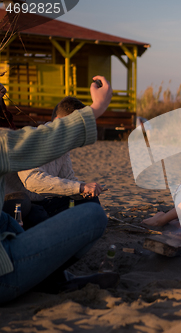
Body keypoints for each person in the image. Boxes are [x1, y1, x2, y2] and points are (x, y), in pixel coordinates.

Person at [0, 77, 116, 304]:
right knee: (90, 216)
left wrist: (83, 190)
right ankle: (49, 277)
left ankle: (50, 274)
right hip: (8, 264)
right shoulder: (14, 142)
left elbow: (68, 178)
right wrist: (97, 108)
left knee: (88, 204)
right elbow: (34, 179)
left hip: (14, 225)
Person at [4, 97, 105, 228]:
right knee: (37, 214)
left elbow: (68, 178)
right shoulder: (34, 138)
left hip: (42, 201)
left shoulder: (63, 146)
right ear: (58, 122)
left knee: (90, 202)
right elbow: (32, 181)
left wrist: (84, 190)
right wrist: (79, 187)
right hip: (16, 202)